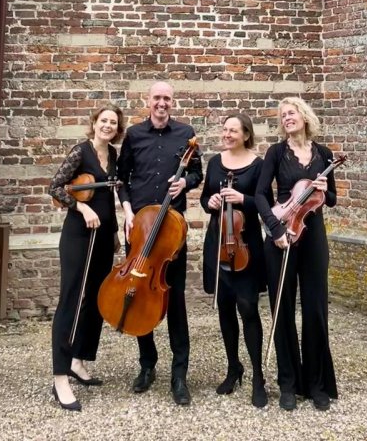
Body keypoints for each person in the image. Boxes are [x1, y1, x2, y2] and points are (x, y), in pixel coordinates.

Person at [116, 80, 202, 406]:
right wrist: (127, 212)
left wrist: (185, 182)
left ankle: (180, 375)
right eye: (157, 98)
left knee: (175, 301)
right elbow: (121, 179)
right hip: (139, 230)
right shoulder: (134, 135)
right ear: (148, 101)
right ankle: (147, 364)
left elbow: (198, 173)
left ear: (172, 102)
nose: (161, 103)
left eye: (166, 98)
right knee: (139, 297)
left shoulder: (186, 134)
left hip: (170, 234)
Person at [255, 95, 338, 412]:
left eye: (292, 113)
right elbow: (260, 194)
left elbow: (332, 199)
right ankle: (288, 383)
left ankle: (316, 384)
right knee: (284, 308)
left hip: (313, 235)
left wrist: (324, 188)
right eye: (283, 115)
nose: (287, 118)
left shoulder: (324, 154)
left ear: (304, 116)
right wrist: (274, 229)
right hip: (282, 235)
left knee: (316, 308)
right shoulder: (276, 153)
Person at [49, 101, 125, 412]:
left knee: (96, 299)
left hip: (104, 236)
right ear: (94, 123)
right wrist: (81, 207)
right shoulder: (80, 152)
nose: (108, 126)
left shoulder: (114, 155)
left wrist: (115, 232)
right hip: (78, 235)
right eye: (103, 120)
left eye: (113, 122)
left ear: (117, 129)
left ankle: (78, 361)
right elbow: (55, 187)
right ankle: (59, 378)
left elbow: (109, 196)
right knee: (70, 299)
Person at [200, 113, 268, 407]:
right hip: (218, 244)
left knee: (248, 308)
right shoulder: (215, 163)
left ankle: (258, 377)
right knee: (225, 308)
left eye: (233, 131)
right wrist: (211, 202)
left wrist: (243, 199)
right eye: (225, 129)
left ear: (246, 135)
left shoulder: (258, 165)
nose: (227, 134)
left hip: (246, 246)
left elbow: (267, 203)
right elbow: (205, 199)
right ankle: (233, 368)